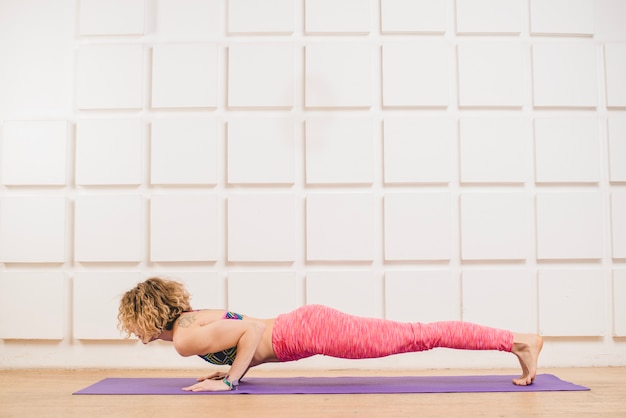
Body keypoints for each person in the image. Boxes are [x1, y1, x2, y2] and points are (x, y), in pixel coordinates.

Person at [118, 277, 543, 392]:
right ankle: (517, 342)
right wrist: (227, 368)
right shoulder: (192, 319)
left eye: (134, 324)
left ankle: (519, 341)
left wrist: (230, 380)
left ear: (148, 315)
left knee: (418, 336)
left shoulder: (184, 339)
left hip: (308, 331)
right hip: (304, 325)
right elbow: (245, 333)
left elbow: (249, 329)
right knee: (416, 334)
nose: (134, 333)